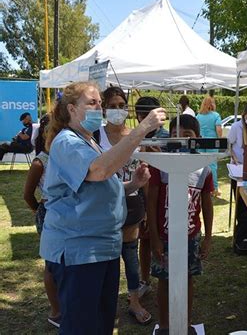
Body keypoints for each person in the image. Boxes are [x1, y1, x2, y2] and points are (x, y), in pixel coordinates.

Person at [39, 81, 166, 334]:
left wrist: (132, 184)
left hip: (102, 248)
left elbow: (102, 188)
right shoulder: (67, 142)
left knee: (101, 323)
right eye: (92, 103)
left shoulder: (89, 142)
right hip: (79, 251)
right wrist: (142, 129)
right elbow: (98, 171)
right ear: (72, 109)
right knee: (82, 325)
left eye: (100, 103)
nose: (99, 108)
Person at [147, 114, 214, 335]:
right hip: (164, 237)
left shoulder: (203, 168)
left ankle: (184, 323)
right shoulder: (160, 165)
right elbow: (152, 200)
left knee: (187, 278)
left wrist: (207, 237)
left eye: (187, 135)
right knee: (164, 281)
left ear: (198, 138)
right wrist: (154, 238)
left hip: (190, 236)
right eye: (175, 135)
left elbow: (207, 203)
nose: (181, 139)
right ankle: (165, 325)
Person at [97, 86, 151, 325]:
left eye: (121, 105)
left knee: (130, 254)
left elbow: (145, 174)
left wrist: (147, 206)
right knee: (105, 256)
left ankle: (134, 301)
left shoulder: (136, 135)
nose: (118, 110)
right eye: (112, 106)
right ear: (103, 109)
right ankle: (103, 303)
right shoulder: (95, 135)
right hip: (103, 204)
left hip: (132, 203)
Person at [23, 113, 61, 328]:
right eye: (53, 131)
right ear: (45, 133)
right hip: (49, 213)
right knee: (51, 264)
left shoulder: (65, 156)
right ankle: (56, 311)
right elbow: (28, 195)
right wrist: (39, 210)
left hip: (66, 214)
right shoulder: (40, 161)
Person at [134, 96, 168, 299]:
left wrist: (160, 157)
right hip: (139, 194)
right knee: (144, 239)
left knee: (162, 235)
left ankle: (165, 277)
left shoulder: (166, 137)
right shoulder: (134, 137)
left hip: (161, 195)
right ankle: (144, 280)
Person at [196, 96, 222, 196]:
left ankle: (200, 186)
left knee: (201, 164)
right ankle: (214, 188)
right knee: (212, 166)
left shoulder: (198, 116)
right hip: (212, 141)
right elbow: (218, 129)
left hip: (201, 141)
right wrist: (220, 140)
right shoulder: (216, 115)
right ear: (212, 104)